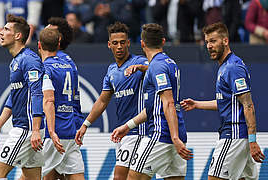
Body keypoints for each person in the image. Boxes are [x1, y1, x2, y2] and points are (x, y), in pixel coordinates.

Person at [180, 22, 265, 180]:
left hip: (233, 136)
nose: (209, 46)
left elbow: (248, 105)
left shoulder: (233, 67)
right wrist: (197, 104)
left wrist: (253, 140)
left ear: (225, 41)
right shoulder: (225, 67)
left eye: (213, 41)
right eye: (207, 42)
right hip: (241, 138)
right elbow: (227, 103)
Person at [111, 23, 192, 180]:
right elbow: (154, 108)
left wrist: (173, 137)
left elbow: (168, 103)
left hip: (161, 135)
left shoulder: (157, 66)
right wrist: (127, 126)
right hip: (178, 134)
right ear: (163, 41)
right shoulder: (171, 63)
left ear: (142, 43)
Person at [75, 21, 149, 180]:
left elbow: (158, 68)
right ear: (109, 45)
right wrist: (85, 125)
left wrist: (142, 69)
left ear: (128, 43)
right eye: (115, 43)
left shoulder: (140, 62)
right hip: (123, 132)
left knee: (119, 177)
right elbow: (102, 101)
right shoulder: (111, 71)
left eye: (123, 42)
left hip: (139, 131)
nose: (120, 46)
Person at [0, 14, 44, 180]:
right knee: (31, 178)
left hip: (26, 130)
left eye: (6, 29)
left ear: (18, 35)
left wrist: (35, 130)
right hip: (28, 129)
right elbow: (13, 98)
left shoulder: (30, 60)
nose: (1, 33)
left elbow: (37, 93)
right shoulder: (15, 62)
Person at [41, 17, 85, 180]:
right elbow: (74, 98)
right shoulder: (69, 62)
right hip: (70, 128)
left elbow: (48, 100)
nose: (47, 30)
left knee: (40, 175)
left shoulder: (48, 64)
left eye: (51, 30)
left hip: (54, 129)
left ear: (58, 39)